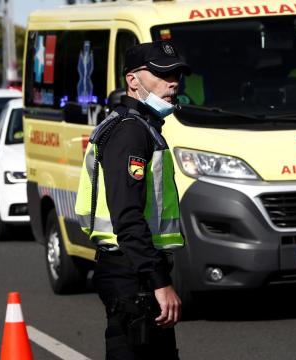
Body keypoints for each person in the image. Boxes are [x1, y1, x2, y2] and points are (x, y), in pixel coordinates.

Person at [75, 41, 190, 359]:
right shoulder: (130, 132)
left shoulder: (139, 127)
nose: (173, 83)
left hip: (132, 267)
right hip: (132, 272)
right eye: (162, 74)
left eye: (176, 75)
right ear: (133, 80)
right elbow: (127, 216)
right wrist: (158, 281)